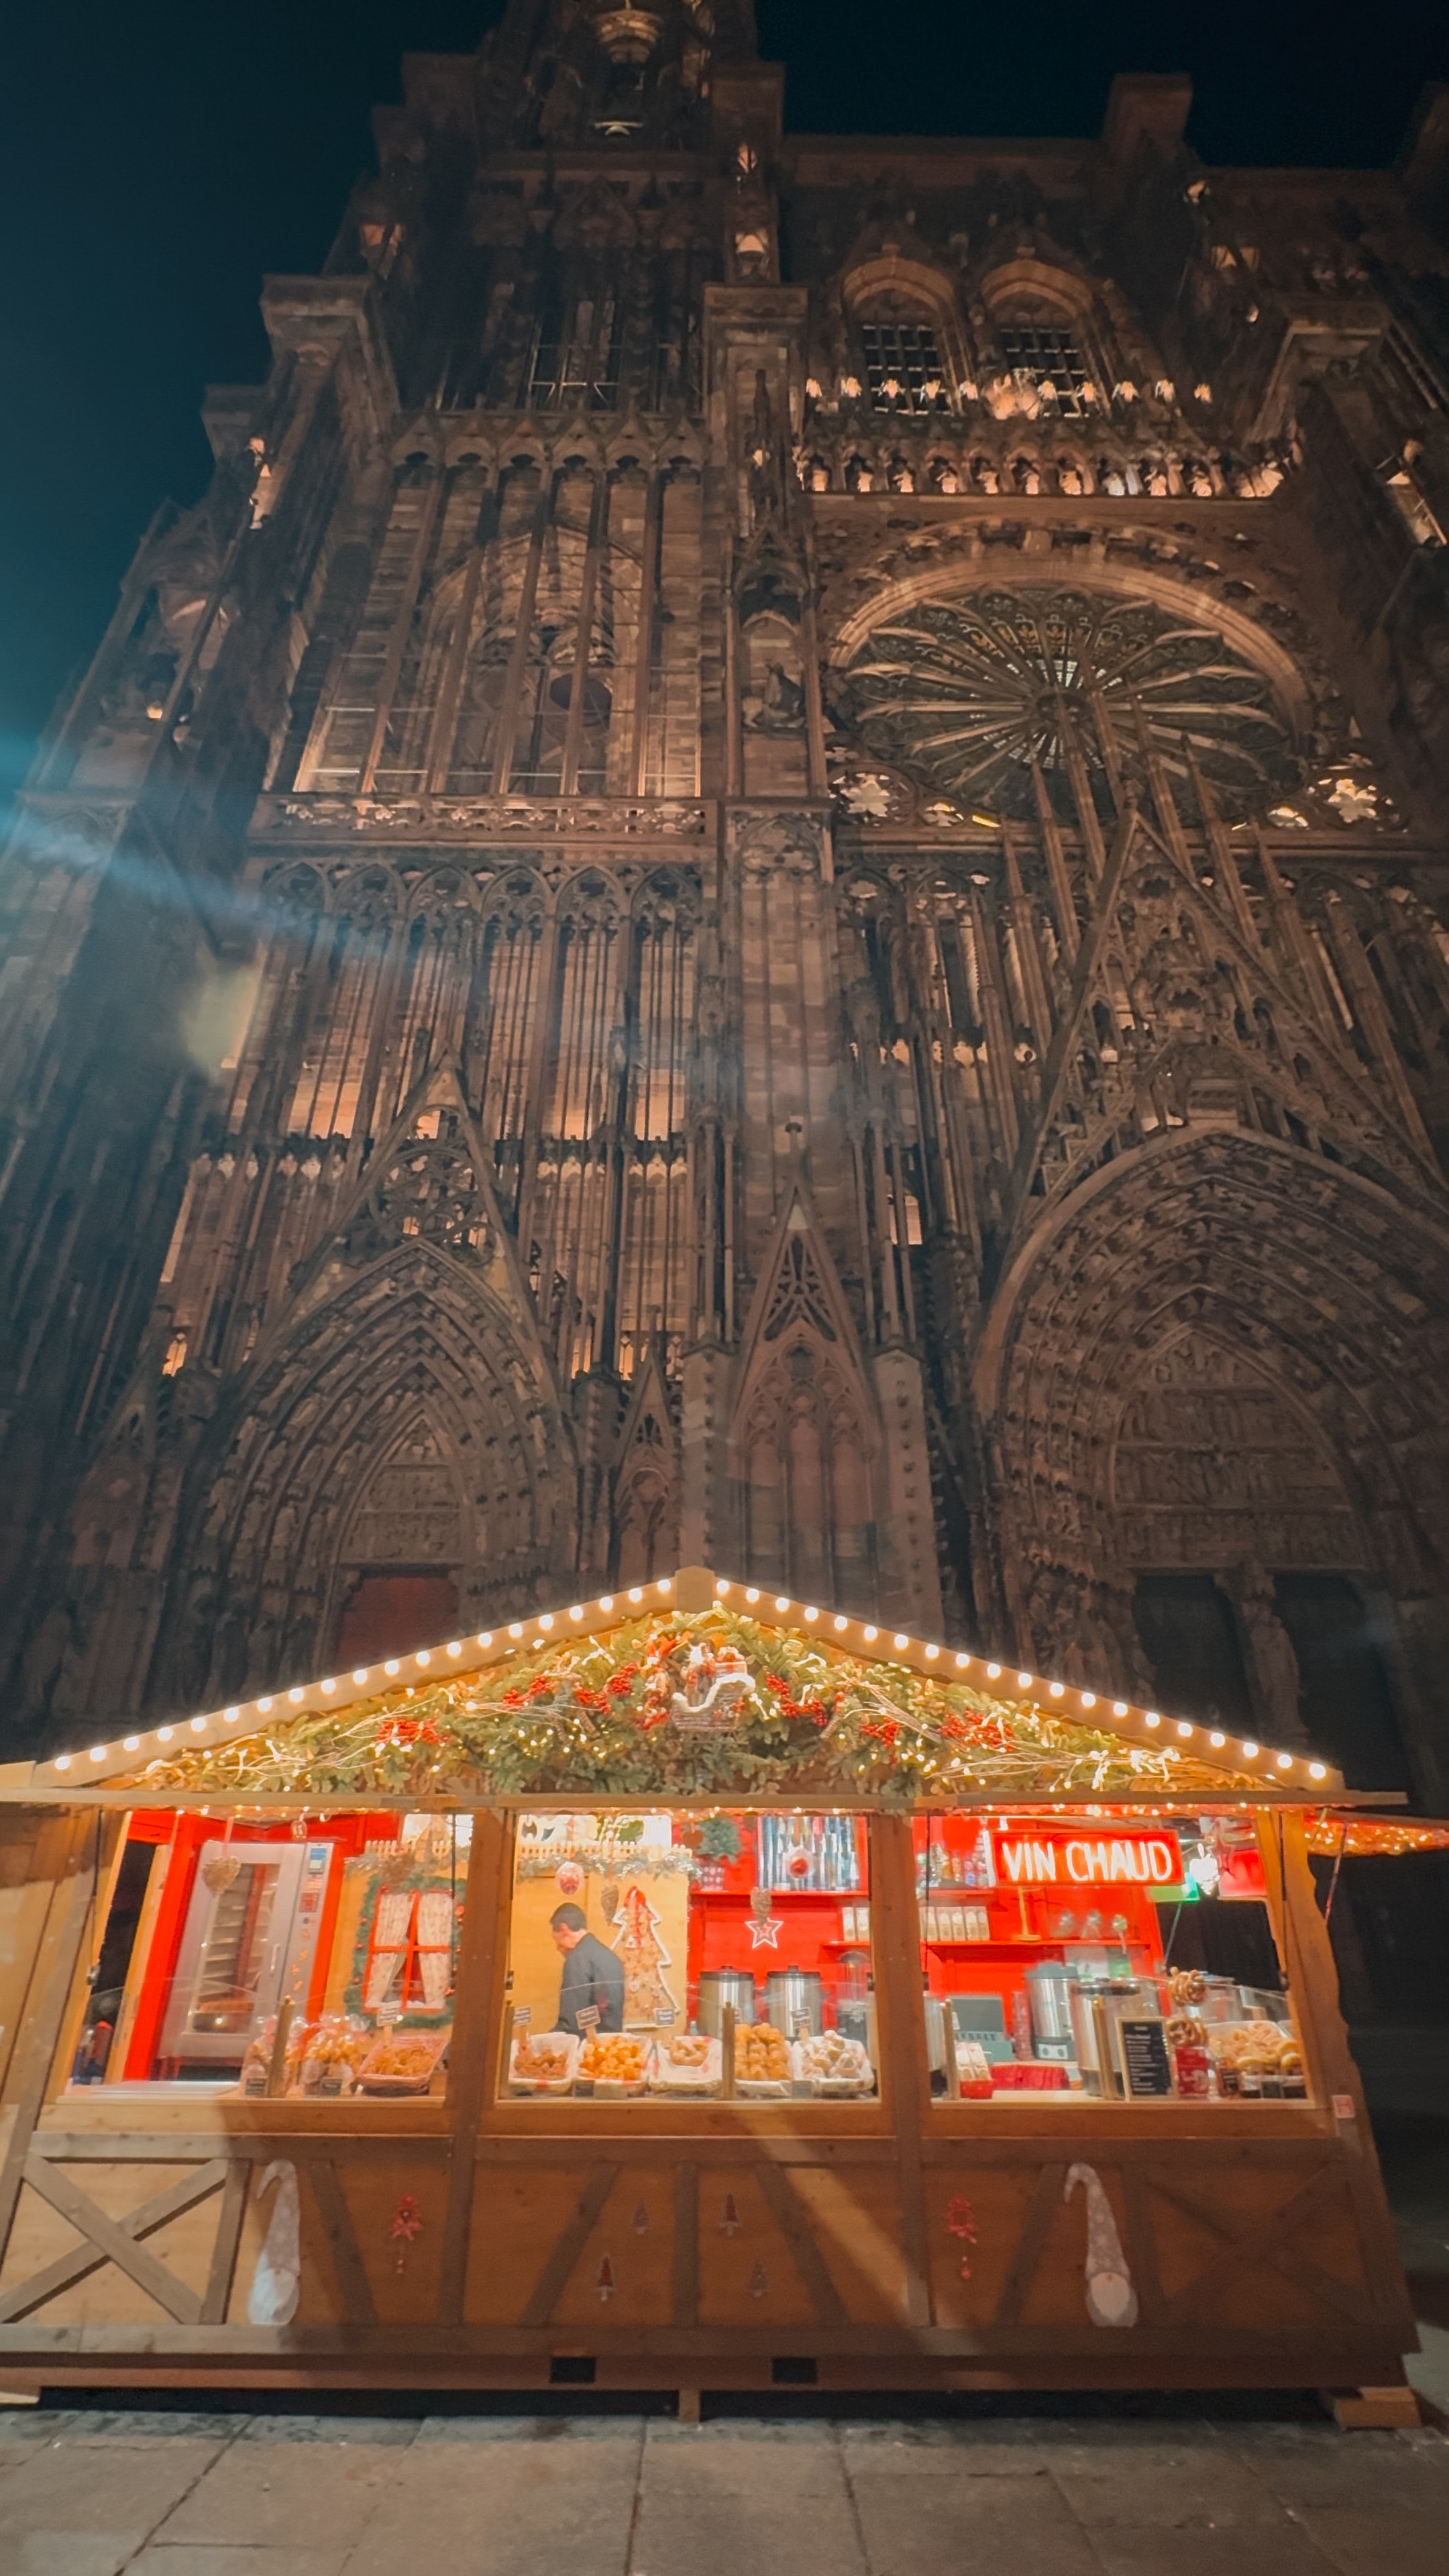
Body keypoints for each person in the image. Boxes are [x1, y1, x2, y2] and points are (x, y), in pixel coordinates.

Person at [549, 1902, 625, 2035]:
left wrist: (543, 2043)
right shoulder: (611, 1957)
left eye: (557, 1941)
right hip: (610, 2044)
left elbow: (570, 2022)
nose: (558, 1948)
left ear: (564, 1929)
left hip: (586, 2046)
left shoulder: (576, 1959)